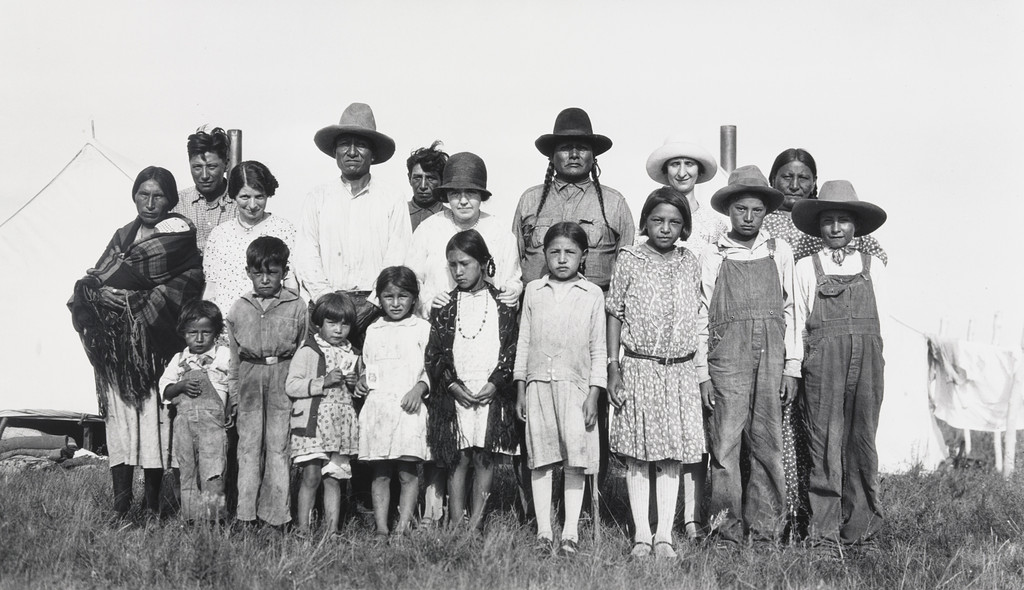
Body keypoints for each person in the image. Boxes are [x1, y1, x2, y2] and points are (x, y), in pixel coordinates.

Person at [69, 166, 204, 516]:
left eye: (158, 195)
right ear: (134, 196)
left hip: (156, 349)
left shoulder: (178, 235)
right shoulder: (123, 236)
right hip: (118, 353)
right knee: (121, 425)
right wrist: (99, 296)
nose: (150, 202)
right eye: (143, 194)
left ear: (171, 200)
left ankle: (155, 507)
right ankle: (121, 506)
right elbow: (93, 282)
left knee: (153, 427)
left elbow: (181, 287)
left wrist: (122, 296)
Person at [696, 166, 801, 545]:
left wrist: (792, 366)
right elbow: (700, 313)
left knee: (768, 442)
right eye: (741, 209)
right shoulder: (714, 253)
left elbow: (792, 312)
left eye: (757, 211)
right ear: (729, 210)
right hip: (727, 355)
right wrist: (703, 373)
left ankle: (766, 531)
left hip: (772, 355)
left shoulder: (779, 251)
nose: (749, 217)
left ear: (766, 212)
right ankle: (725, 533)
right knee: (725, 444)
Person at [606, 188, 704, 558]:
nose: (665, 228)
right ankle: (641, 535)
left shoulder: (689, 261)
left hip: (677, 371)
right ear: (645, 221)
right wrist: (614, 367)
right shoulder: (630, 259)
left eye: (674, 222)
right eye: (658, 220)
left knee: (670, 454)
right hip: (639, 366)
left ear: (684, 227)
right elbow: (614, 311)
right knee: (639, 452)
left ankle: (664, 534)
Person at [791, 180, 888, 546]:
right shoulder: (805, 267)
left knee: (862, 441)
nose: (835, 228)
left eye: (843, 220)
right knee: (825, 444)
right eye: (828, 220)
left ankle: (862, 529)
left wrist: (877, 362)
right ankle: (824, 534)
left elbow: (884, 321)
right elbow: (797, 321)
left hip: (867, 361)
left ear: (856, 226)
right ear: (818, 225)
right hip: (822, 363)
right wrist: (796, 366)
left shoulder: (873, 265)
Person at [514, 222, 606, 556]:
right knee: (540, 458)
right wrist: (521, 387)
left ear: (583, 257)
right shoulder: (535, 291)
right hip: (538, 384)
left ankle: (569, 533)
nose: (562, 259)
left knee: (574, 459)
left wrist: (594, 394)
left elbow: (598, 349)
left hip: (576, 388)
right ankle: (543, 531)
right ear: (545, 255)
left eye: (570, 253)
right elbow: (523, 342)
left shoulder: (592, 294)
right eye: (554, 252)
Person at [296, 102, 411, 348]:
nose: (351, 152)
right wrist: (327, 303)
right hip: (327, 308)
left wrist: (372, 304)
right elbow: (306, 256)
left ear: (374, 153)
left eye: (360, 144)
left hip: (376, 310)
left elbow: (397, 255)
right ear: (335, 152)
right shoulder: (318, 197)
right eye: (344, 144)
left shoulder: (392, 198)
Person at [426, 230, 519, 530]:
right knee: (460, 456)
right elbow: (435, 352)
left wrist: (496, 382)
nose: (458, 271)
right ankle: (455, 521)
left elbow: (511, 348)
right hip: (457, 391)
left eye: (465, 263)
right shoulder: (445, 306)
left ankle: (476, 523)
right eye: (452, 265)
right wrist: (453, 385)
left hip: (490, 390)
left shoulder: (502, 305)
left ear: (483, 262)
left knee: (483, 456)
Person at [226, 236, 307, 527]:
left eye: (272, 272)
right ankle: (245, 515)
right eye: (257, 272)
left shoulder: (297, 306)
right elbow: (233, 359)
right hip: (249, 380)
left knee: (278, 448)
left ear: (284, 271)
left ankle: (277, 517)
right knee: (247, 448)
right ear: (248, 271)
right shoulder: (239, 308)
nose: (264, 279)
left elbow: (303, 350)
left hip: (282, 380)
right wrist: (234, 397)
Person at [512, 107, 635, 290]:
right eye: (565, 148)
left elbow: (626, 270)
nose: (574, 155)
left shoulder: (614, 203)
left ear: (594, 157)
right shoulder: (530, 200)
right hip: (537, 306)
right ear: (552, 157)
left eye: (583, 148)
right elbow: (513, 262)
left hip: (596, 308)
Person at [356, 266, 432, 536]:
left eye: (403, 296)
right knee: (381, 473)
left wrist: (419, 388)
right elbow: (369, 367)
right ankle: (381, 528)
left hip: (408, 409)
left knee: (407, 473)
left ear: (414, 298)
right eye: (389, 297)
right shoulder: (374, 330)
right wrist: (363, 381)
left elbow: (430, 369)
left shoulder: (422, 329)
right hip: (379, 410)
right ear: (379, 298)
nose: (396, 303)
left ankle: (401, 528)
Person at [406, 151, 522, 315]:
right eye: (455, 193)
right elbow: (412, 280)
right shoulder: (428, 229)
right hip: (437, 324)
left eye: (471, 192)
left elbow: (513, 279)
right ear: (446, 196)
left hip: (486, 323)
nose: (463, 201)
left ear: (481, 195)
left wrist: (512, 291)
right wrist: (428, 303)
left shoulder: (500, 231)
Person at [286, 292, 360, 536]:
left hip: (339, 426)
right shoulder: (308, 350)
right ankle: (303, 530)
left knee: (334, 478)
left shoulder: (353, 353)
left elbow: (360, 389)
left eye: (344, 324)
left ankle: (332, 532)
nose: (338, 330)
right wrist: (323, 382)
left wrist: (355, 383)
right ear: (319, 323)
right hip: (312, 424)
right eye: (332, 323)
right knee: (311, 475)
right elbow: (292, 385)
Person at [159, 300, 232, 522]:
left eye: (206, 332)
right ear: (183, 333)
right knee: (187, 473)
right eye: (192, 333)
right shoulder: (178, 360)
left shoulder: (224, 356)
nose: (199, 339)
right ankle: (190, 520)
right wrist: (180, 386)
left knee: (213, 474)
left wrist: (230, 409)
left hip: (213, 427)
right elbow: (165, 389)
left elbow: (234, 385)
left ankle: (214, 521)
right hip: (184, 426)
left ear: (216, 332)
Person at [204, 160, 297, 319]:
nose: (252, 205)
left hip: (268, 324)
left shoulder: (284, 229)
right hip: (226, 324)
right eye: (245, 196)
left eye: (259, 197)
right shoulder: (219, 234)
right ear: (234, 196)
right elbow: (211, 288)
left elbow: (290, 283)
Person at [764, 148, 887, 264]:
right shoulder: (760, 221)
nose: (794, 185)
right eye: (787, 177)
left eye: (803, 178)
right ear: (774, 179)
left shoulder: (830, 216)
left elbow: (878, 258)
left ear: (813, 183)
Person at [645, 136, 727, 248]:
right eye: (675, 164)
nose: (682, 173)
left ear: (699, 170)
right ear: (666, 169)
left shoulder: (715, 225)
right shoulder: (649, 221)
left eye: (689, 164)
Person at [172, 126, 235, 252]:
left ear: (226, 165)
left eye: (211, 166)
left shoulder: (241, 202)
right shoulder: (177, 203)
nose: (205, 175)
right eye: (197, 167)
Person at [406, 141, 449, 231]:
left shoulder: (450, 218)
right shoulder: (398, 213)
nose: (423, 186)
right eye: (417, 178)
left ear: (442, 180)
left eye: (430, 178)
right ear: (409, 178)